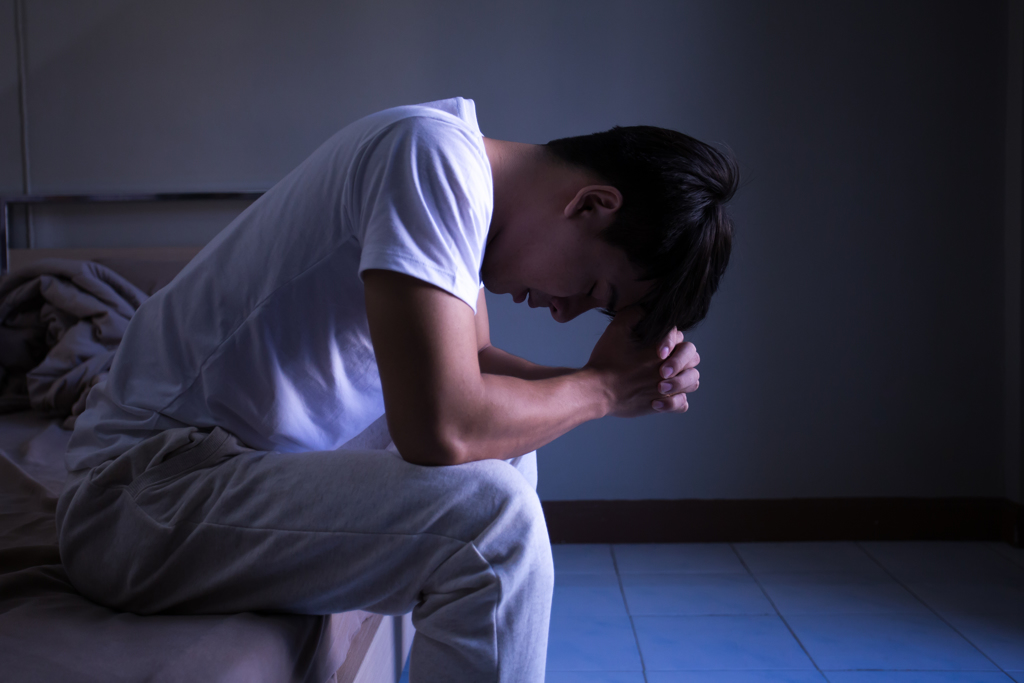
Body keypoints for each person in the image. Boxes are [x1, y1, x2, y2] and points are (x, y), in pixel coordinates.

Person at [55, 97, 738, 682]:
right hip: (141, 496)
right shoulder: (431, 158)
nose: (565, 312)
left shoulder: (459, 174)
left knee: (507, 447)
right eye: (592, 289)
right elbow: (445, 427)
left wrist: (622, 383)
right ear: (591, 205)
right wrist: (600, 391)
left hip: (218, 472)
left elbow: (473, 370)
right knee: (493, 522)